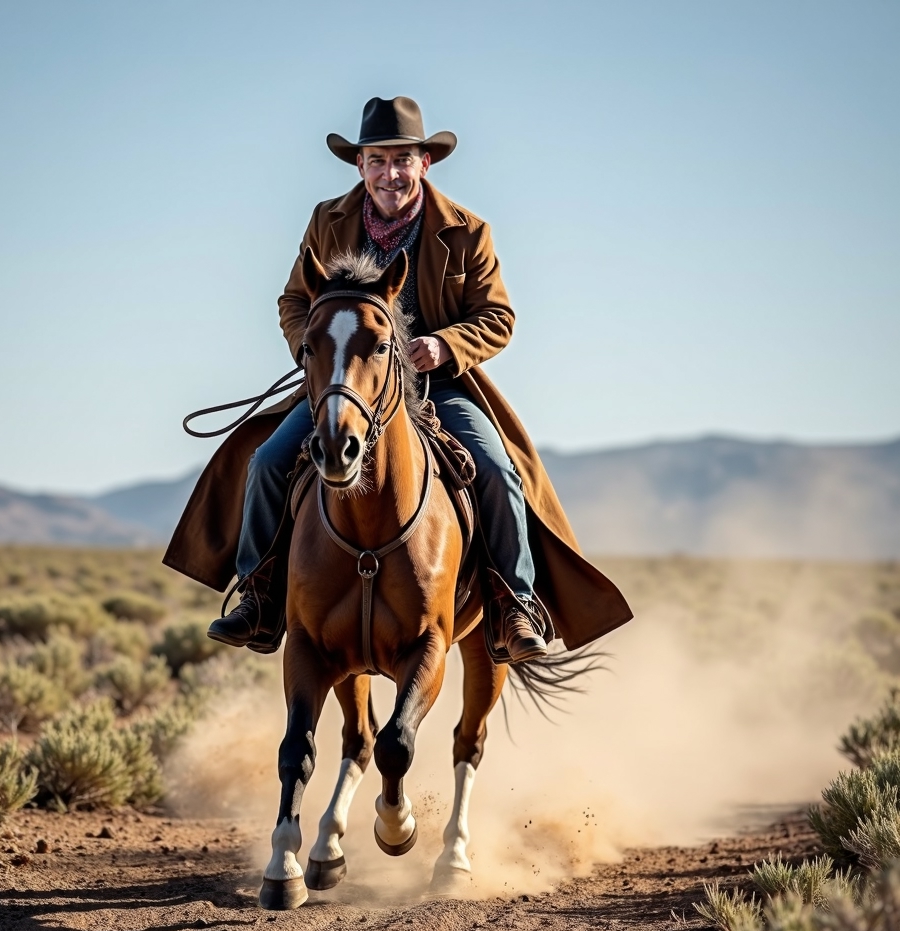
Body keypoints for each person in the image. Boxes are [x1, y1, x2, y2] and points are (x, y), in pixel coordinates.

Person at [164, 97, 633, 661]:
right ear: (360, 165)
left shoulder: (468, 231)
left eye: (402, 160)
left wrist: (443, 344)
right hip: (351, 383)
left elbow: (497, 317)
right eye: (378, 160)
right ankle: (259, 598)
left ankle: (514, 605)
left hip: (439, 382)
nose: (390, 173)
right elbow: (295, 299)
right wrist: (311, 352)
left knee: (499, 472)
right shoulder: (326, 220)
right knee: (265, 461)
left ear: (424, 164)